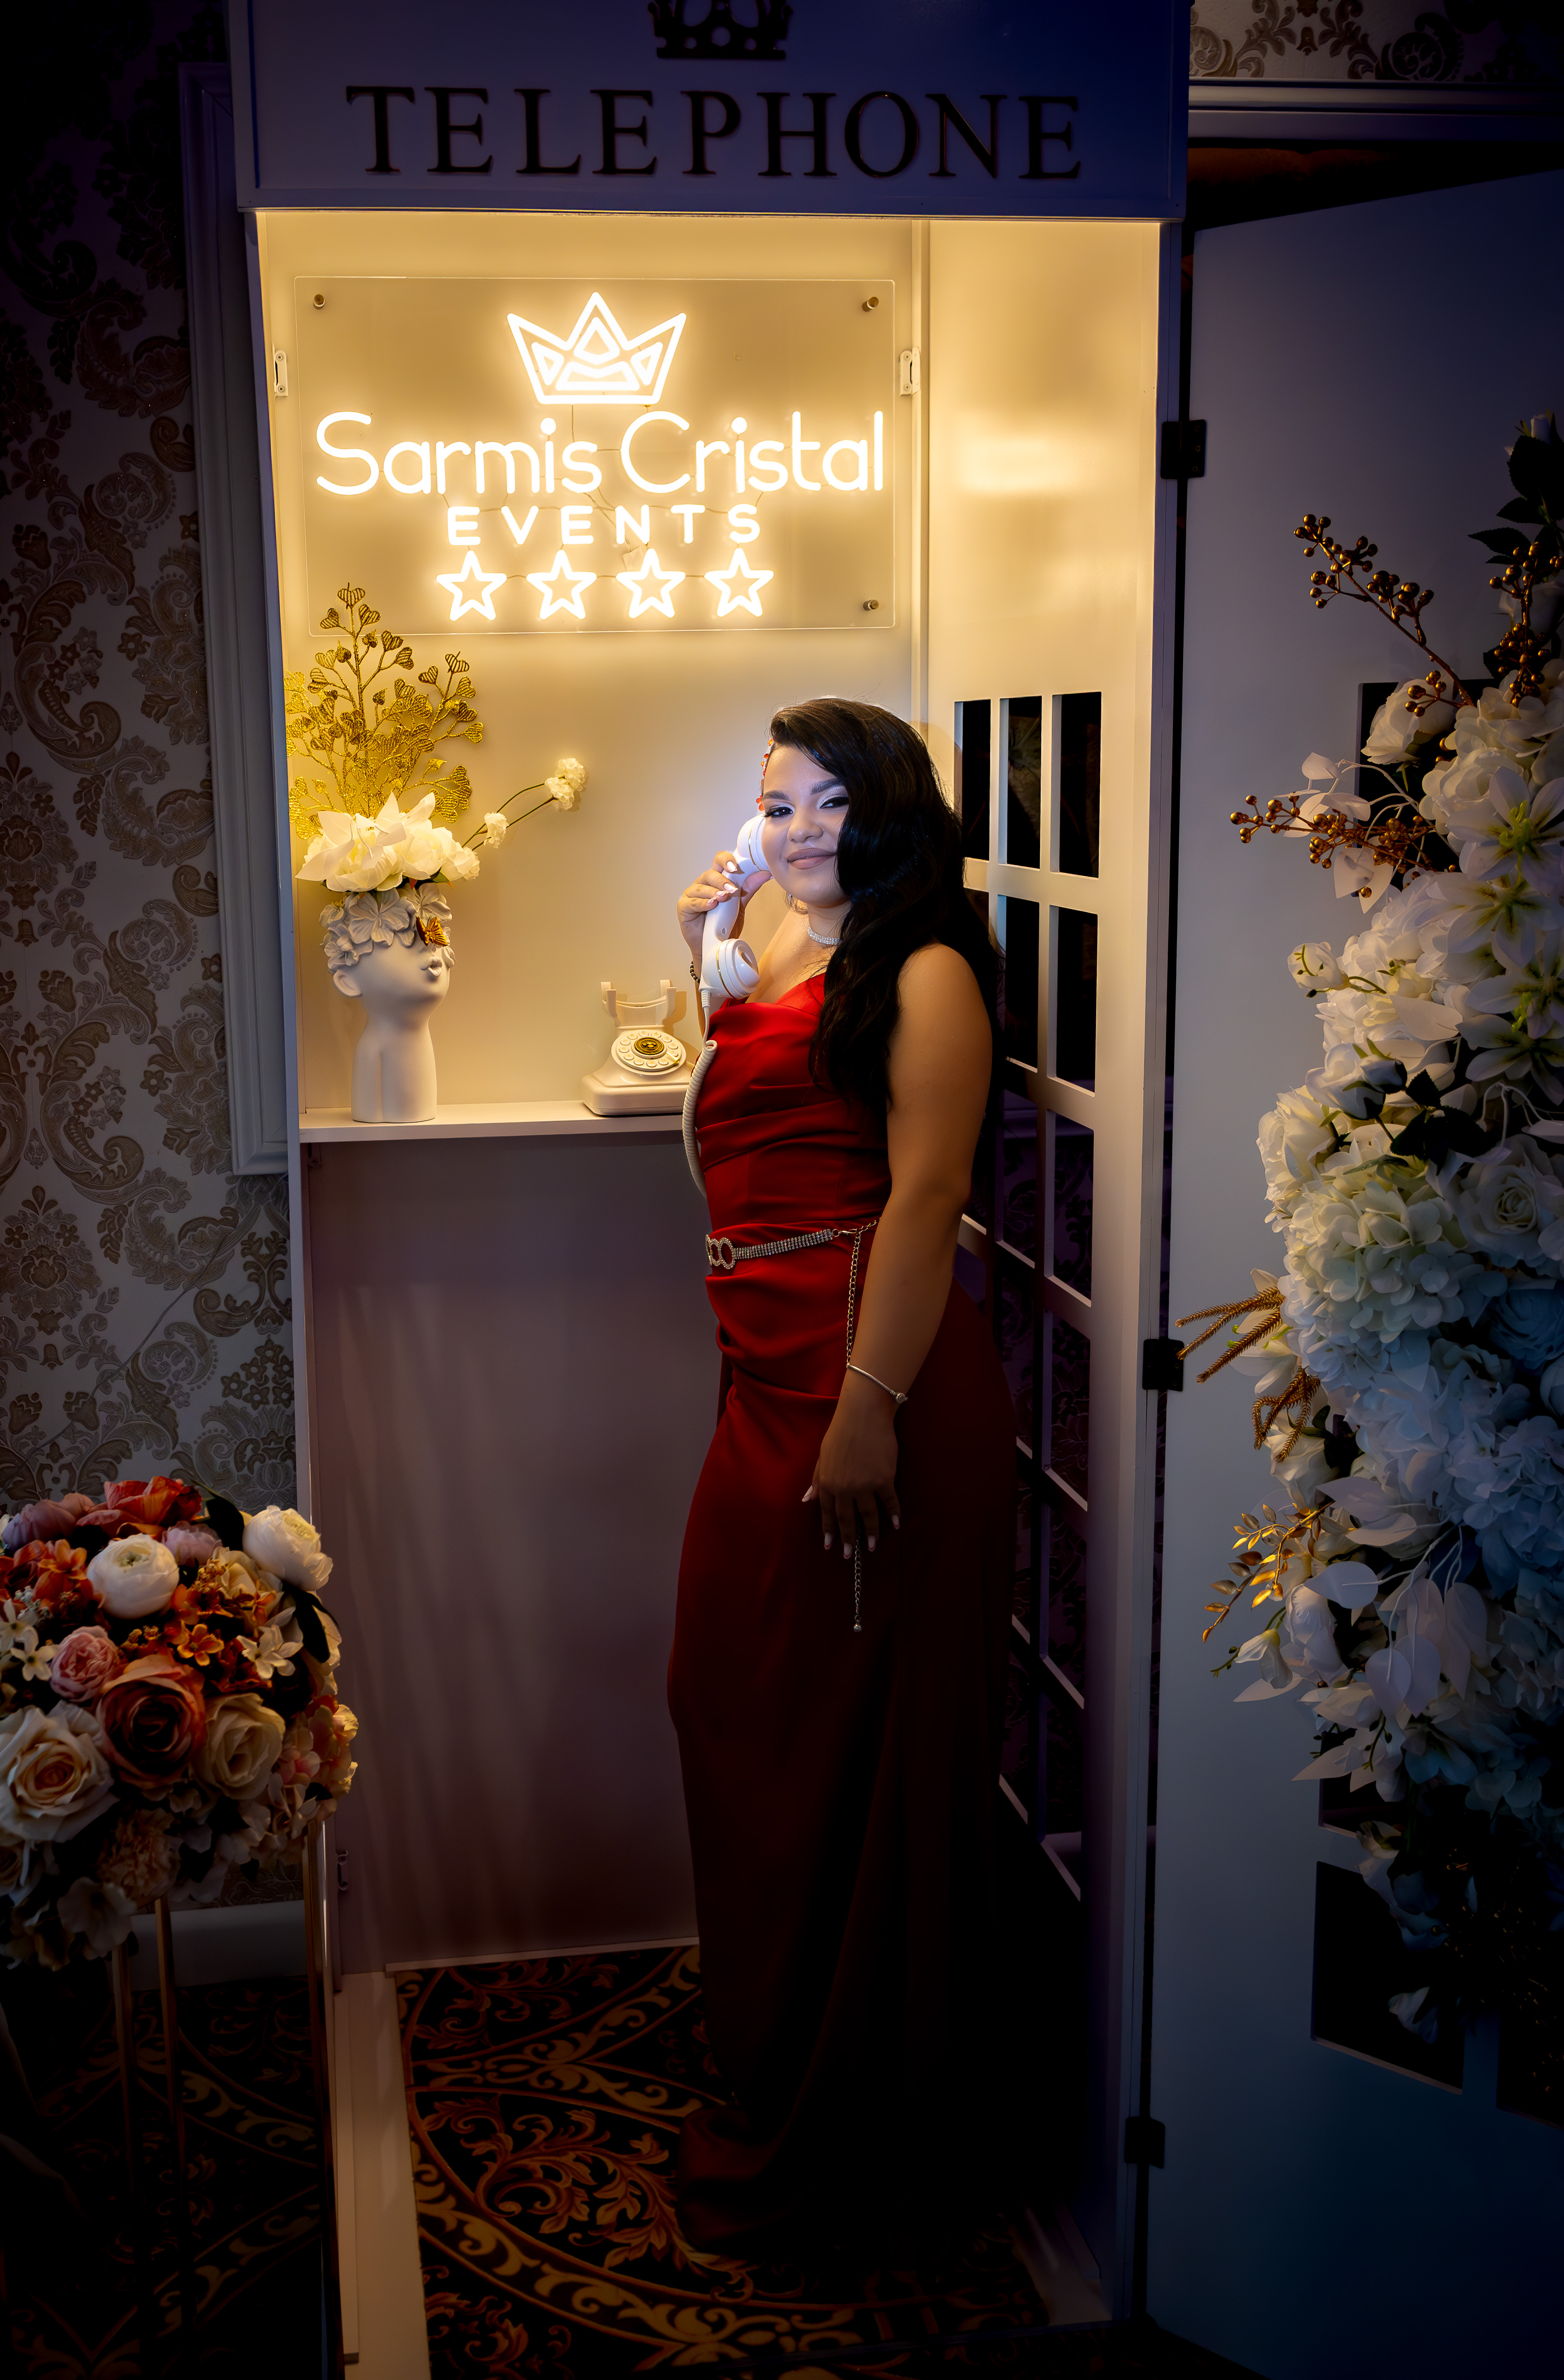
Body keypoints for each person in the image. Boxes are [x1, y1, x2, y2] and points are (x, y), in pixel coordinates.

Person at [668, 696, 1014, 2252]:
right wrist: (700, 954)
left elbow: (928, 1194)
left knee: (852, 1747)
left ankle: (870, 2107)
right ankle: (779, 2044)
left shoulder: (924, 968)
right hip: (764, 1368)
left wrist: (869, 1408)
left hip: (870, 1383)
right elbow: (737, 1123)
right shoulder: (770, 944)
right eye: (775, 804)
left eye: (828, 801)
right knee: (734, 1700)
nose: (798, 829)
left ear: (889, 811)